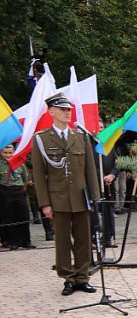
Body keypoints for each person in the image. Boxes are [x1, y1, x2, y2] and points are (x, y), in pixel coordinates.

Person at [31, 94, 101, 296]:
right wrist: (44, 203)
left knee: (83, 239)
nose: (67, 112)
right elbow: (39, 174)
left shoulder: (80, 137)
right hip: (58, 198)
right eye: (62, 109)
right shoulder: (42, 139)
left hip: (81, 197)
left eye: (68, 109)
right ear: (51, 112)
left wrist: (94, 197)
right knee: (62, 241)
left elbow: (89, 171)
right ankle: (68, 278)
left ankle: (82, 277)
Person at [0, 144, 35, 249]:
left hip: (19, 191)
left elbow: (25, 180)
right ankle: (13, 241)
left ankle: (26, 241)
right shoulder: (1, 165)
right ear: (1, 153)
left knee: (23, 216)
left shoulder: (20, 164)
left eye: (10, 152)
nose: (8, 155)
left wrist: (21, 190)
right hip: (5, 191)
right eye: (5, 153)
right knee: (9, 217)